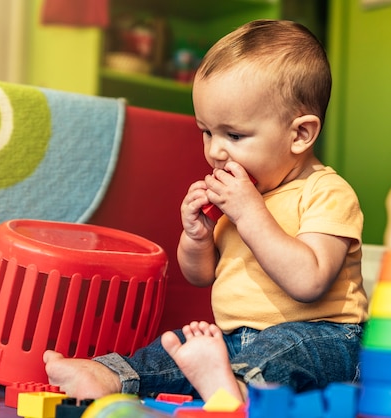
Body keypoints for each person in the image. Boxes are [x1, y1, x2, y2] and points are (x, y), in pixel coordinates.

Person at [43, 19, 368, 403]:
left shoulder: (326, 192)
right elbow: (201, 276)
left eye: (233, 135)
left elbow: (308, 282)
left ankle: (234, 387)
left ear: (300, 134)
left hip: (323, 337)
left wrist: (248, 214)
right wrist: (196, 237)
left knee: (284, 347)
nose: (215, 150)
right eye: (206, 131)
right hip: (235, 339)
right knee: (179, 344)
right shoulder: (244, 196)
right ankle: (111, 374)